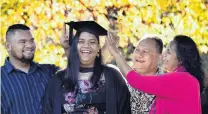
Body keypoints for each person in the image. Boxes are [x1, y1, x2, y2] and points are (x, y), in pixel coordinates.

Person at [41, 21, 131, 114]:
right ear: (74, 46)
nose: (86, 45)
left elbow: (125, 110)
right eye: (81, 41)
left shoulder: (112, 76)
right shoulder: (58, 80)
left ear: (98, 48)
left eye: (92, 42)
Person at [105, 34, 204, 114]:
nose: (164, 54)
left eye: (168, 52)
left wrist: (116, 54)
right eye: (137, 50)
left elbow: (136, 80)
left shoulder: (182, 79)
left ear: (181, 58)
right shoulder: (186, 79)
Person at [1, 24, 59, 114]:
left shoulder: (49, 71)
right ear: (8, 46)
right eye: (22, 42)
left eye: (31, 41)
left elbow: (77, 75)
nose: (29, 45)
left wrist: (67, 48)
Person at [128, 36, 163, 114]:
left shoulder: (167, 84)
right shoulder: (122, 80)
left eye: (145, 51)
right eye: (137, 50)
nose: (139, 54)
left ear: (159, 58)